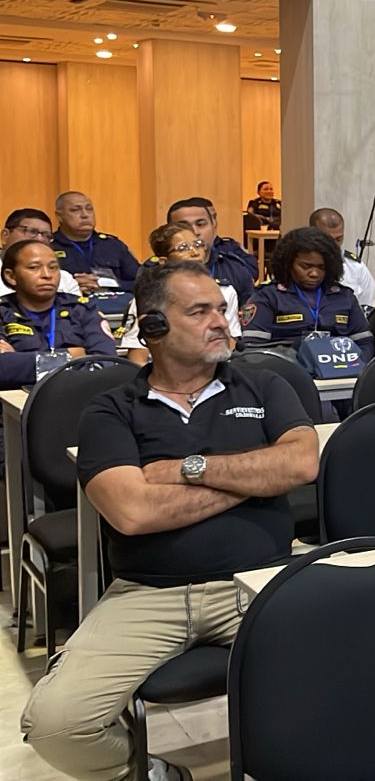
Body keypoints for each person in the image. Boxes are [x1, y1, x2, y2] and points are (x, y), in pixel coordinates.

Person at [20, 259, 319, 781]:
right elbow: (132, 513)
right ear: (154, 327)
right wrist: (252, 479)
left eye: (221, 309)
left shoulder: (264, 386)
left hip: (261, 580)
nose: (221, 322)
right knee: (56, 725)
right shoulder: (110, 410)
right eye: (200, 311)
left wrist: (188, 470)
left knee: (360, 660)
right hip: (148, 593)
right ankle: (153, 772)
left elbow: (299, 464)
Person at [239, 226, 373, 358]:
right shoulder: (267, 297)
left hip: (342, 374)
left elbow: (365, 344)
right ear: (288, 264)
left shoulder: (345, 297)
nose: (314, 273)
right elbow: (253, 349)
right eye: (305, 266)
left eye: (321, 267)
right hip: (287, 374)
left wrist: (356, 369)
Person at [123, 225, 242, 367]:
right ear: (164, 261)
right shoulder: (149, 299)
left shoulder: (225, 291)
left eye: (198, 245)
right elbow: (137, 359)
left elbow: (230, 346)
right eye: (183, 248)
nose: (195, 252)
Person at [0, 241, 115, 388]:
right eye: (34, 268)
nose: (47, 275)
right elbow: (3, 368)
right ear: (11, 276)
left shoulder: (82, 309)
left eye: (53, 267)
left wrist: (24, 363)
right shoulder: (3, 312)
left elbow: (107, 362)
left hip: (78, 396)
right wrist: (72, 356)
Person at [51, 191, 141, 295]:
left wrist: (108, 284)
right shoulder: (49, 247)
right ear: (59, 216)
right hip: (69, 307)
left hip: (114, 306)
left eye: (89, 209)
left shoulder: (112, 245)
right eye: (75, 210)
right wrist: (72, 285)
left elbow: (142, 282)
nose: (85, 215)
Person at [166, 197, 258, 296]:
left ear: (213, 225)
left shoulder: (235, 269)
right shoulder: (153, 271)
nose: (195, 232)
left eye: (201, 224)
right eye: (184, 227)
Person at [307, 208, 375, 309]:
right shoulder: (299, 264)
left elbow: (370, 305)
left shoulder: (355, 267)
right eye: (329, 239)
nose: (335, 245)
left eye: (339, 239)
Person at [2, 209, 80, 297]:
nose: (40, 239)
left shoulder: (65, 279)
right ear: (5, 236)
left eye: (46, 235)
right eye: (31, 231)